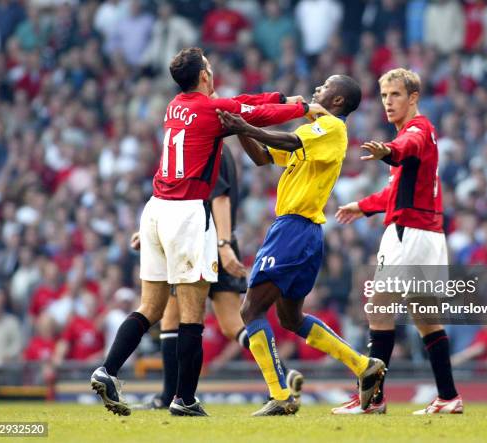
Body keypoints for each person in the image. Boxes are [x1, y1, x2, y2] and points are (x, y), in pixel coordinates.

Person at [90, 47, 325, 417]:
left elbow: (244, 102)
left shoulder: (175, 106)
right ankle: (184, 399)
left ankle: (107, 370)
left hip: (154, 210)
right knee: (192, 315)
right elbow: (253, 112)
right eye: (210, 69)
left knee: (149, 307)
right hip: (186, 215)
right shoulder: (212, 111)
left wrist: (282, 97)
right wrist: (302, 109)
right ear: (204, 76)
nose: (213, 73)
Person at [217, 74, 385, 417]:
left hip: (294, 229)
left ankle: (280, 393)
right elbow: (264, 157)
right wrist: (241, 128)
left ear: (337, 101)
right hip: (304, 233)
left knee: (250, 310)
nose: (317, 90)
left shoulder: (332, 128)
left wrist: (245, 126)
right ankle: (364, 365)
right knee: (291, 319)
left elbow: (291, 142)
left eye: (324, 87)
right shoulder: (314, 134)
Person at [132, 146, 303, 410]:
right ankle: (282, 371)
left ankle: (168, 396)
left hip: (197, 240)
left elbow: (213, 197)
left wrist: (217, 243)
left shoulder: (205, 149)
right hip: (223, 238)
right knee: (232, 324)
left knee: (171, 318)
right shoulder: (226, 152)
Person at [335, 68, 463, 415]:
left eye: (395, 95)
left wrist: (388, 151)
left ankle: (372, 399)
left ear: (413, 97)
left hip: (409, 232)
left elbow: (403, 149)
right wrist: (363, 206)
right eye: (384, 96)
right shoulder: (416, 134)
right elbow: (395, 191)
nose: (389, 102)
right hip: (427, 233)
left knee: (378, 307)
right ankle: (448, 397)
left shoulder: (417, 130)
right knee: (426, 319)